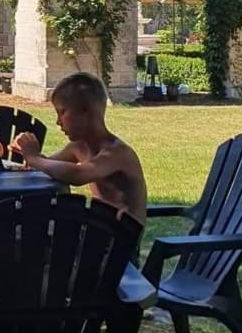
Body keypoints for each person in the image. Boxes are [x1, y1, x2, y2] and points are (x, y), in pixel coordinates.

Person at [10, 72, 148, 225]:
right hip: (97, 232)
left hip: (121, 241)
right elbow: (48, 166)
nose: (58, 121)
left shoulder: (117, 153)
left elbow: (77, 175)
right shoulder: (78, 148)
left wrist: (34, 158)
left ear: (86, 110)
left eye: (62, 112)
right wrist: (28, 153)